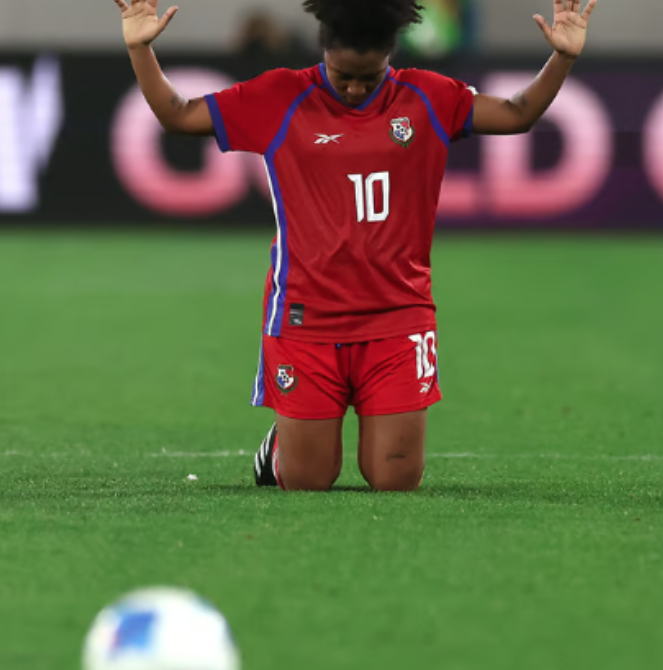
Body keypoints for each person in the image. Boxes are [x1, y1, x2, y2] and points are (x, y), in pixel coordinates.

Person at [111, 0, 597, 492]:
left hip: (397, 318)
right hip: (306, 318)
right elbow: (178, 116)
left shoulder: (428, 96)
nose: (356, 88)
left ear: (390, 57)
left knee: (395, 480)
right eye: (343, 76)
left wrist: (563, 57)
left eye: (370, 77)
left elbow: (517, 114)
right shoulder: (280, 96)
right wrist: (139, 48)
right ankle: (279, 449)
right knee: (307, 481)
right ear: (324, 51)